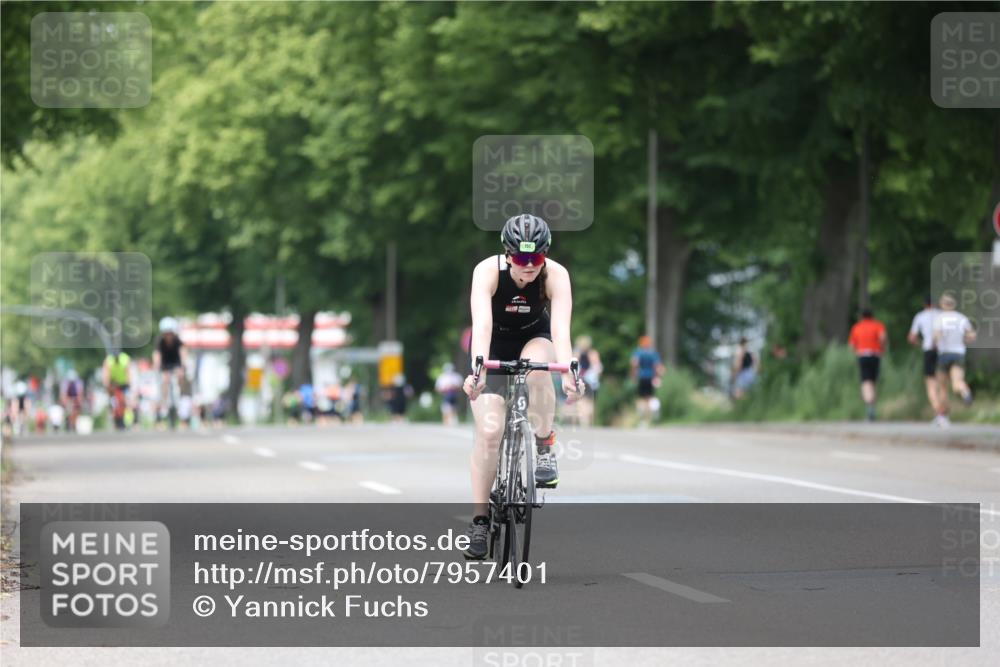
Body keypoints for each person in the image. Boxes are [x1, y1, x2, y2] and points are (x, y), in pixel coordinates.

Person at [462, 214, 583, 560]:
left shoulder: (555, 275)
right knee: (489, 431)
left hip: (534, 338)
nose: (529, 266)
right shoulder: (487, 272)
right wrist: (479, 370)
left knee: (539, 371)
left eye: (536, 258)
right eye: (520, 258)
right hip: (493, 348)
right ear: (507, 253)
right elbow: (481, 326)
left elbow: (561, 331)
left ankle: (544, 444)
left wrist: (570, 375)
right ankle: (480, 521)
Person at [933, 293, 976, 427]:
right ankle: (965, 392)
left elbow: (937, 336)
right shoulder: (962, 318)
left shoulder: (939, 318)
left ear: (942, 304)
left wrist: (937, 344)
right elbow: (972, 336)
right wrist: (964, 340)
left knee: (943, 388)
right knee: (957, 381)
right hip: (958, 353)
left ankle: (942, 417)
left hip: (944, 354)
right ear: (954, 304)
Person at [907, 295, 944, 423]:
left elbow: (911, 338)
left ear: (924, 304)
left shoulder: (920, 316)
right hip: (943, 350)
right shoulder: (942, 315)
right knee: (942, 382)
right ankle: (943, 411)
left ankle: (939, 412)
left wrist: (921, 343)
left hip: (928, 350)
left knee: (930, 382)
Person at [848, 308, 887, 422]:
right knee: (873, 381)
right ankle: (872, 406)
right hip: (875, 355)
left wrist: (856, 351)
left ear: (862, 316)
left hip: (863, 356)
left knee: (866, 382)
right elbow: (883, 337)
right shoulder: (878, 325)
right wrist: (882, 348)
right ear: (872, 315)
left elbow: (851, 345)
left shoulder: (857, 327)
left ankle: (869, 407)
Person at [153, 317, 188, 423]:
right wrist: (157, 366)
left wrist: (183, 366)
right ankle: (164, 400)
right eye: (166, 333)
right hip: (165, 364)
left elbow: (183, 353)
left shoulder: (178, 341)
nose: (168, 336)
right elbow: (157, 355)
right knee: (165, 380)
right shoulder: (160, 342)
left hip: (176, 363)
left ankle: (181, 395)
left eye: (170, 333)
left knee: (180, 376)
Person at [631, 335, 664, 425]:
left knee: (642, 399)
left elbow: (635, 363)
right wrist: (658, 377)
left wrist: (634, 375)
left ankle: (643, 420)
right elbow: (658, 367)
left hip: (642, 377)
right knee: (650, 397)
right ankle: (651, 415)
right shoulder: (653, 353)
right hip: (651, 377)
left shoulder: (638, 353)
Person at [574, 335, 602, 427]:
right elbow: (598, 368)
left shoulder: (577, 354)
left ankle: (583, 419)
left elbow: (573, 367)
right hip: (590, 380)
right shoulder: (593, 353)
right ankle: (588, 419)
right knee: (590, 400)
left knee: (581, 400)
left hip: (581, 379)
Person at [102, 350, 133, 430]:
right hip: (113, 384)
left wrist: (128, 383)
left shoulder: (125, 359)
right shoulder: (109, 361)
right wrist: (107, 386)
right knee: (114, 402)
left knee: (123, 402)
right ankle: (115, 418)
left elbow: (128, 372)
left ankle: (123, 419)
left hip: (123, 384)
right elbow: (106, 374)